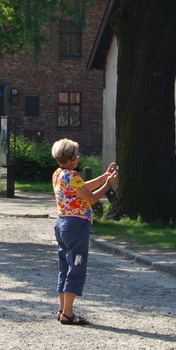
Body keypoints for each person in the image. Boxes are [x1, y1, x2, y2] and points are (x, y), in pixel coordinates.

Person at [50, 138, 117, 326]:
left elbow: (81, 187)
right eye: (76, 154)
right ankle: (68, 314)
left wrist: (103, 177)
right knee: (76, 266)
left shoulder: (58, 174)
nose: (78, 157)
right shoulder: (72, 176)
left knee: (64, 266)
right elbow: (92, 198)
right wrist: (108, 184)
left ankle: (62, 309)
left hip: (62, 223)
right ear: (71, 157)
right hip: (76, 225)